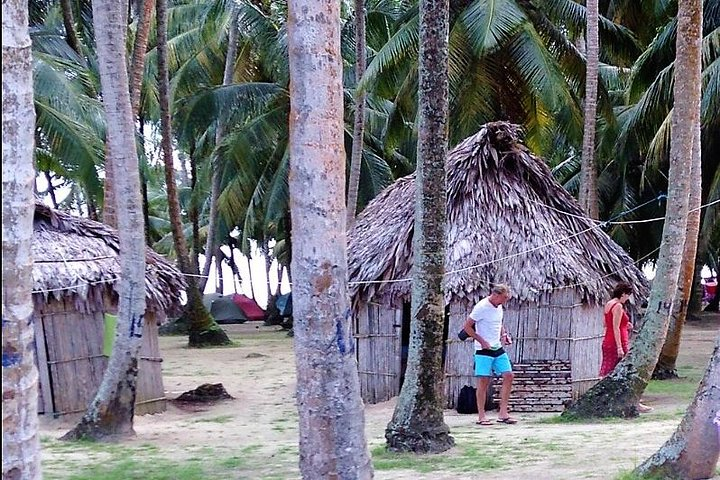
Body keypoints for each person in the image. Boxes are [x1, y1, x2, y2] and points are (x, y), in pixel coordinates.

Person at [462, 283, 516, 425]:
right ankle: (481, 416)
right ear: (496, 295)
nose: (505, 301)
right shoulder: (481, 307)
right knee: (483, 381)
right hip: (482, 349)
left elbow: (498, 323)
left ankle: (503, 413)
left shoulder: (499, 307)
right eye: (504, 298)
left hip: (497, 347)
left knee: (509, 375)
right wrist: (481, 340)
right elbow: (466, 327)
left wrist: (504, 334)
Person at [599, 281, 653, 413]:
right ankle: (634, 401)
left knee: (607, 370)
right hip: (616, 342)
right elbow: (616, 328)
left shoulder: (609, 304)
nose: (628, 298)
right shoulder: (617, 306)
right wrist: (619, 347)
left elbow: (607, 323)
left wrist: (626, 324)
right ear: (623, 294)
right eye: (628, 295)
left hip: (608, 340)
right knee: (627, 371)